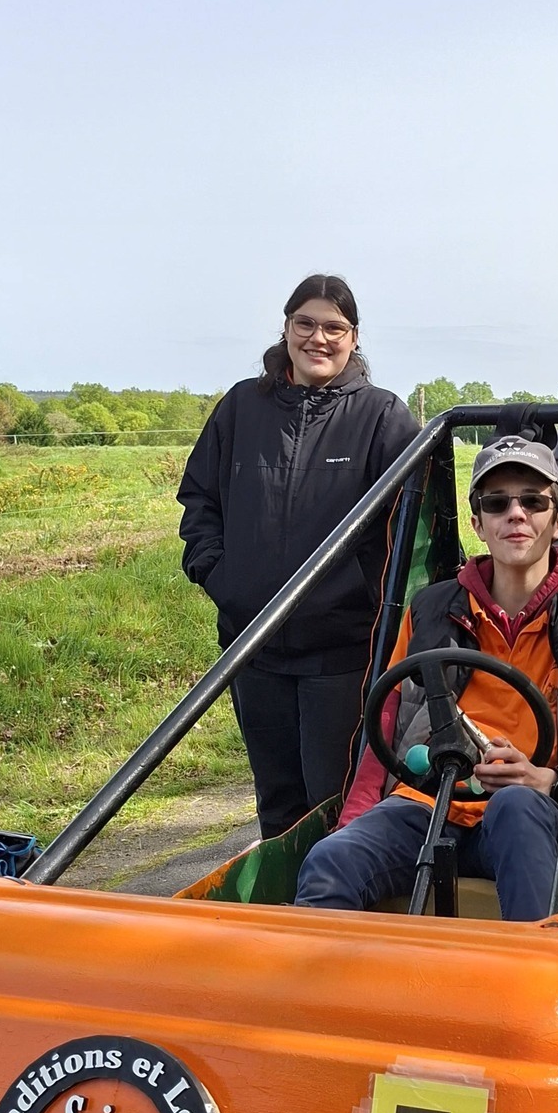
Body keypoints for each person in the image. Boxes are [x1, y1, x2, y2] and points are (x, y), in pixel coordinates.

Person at [296, 436, 558, 922]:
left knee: (515, 808)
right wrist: (351, 824)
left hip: (538, 817)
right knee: (329, 863)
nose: (515, 514)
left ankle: (531, 988)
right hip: (428, 805)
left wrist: (543, 780)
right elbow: (385, 734)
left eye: (533, 501)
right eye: (497, 503)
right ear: (478, 524)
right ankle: (337, 994)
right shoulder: (430, 612)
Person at [177, 275, 418, 838]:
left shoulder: (383, 417)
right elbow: (199, 501)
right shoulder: (241, 407)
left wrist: (373, 601)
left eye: (334, 327)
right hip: (251, 647)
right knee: (277, 805)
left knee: (335, 804)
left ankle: (334, 916)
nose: (319, 338)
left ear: (353, 338)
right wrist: (221, 577)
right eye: (305, 324)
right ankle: (282, 920)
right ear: (285, 329)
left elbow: (416, 529)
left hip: (341, 654)